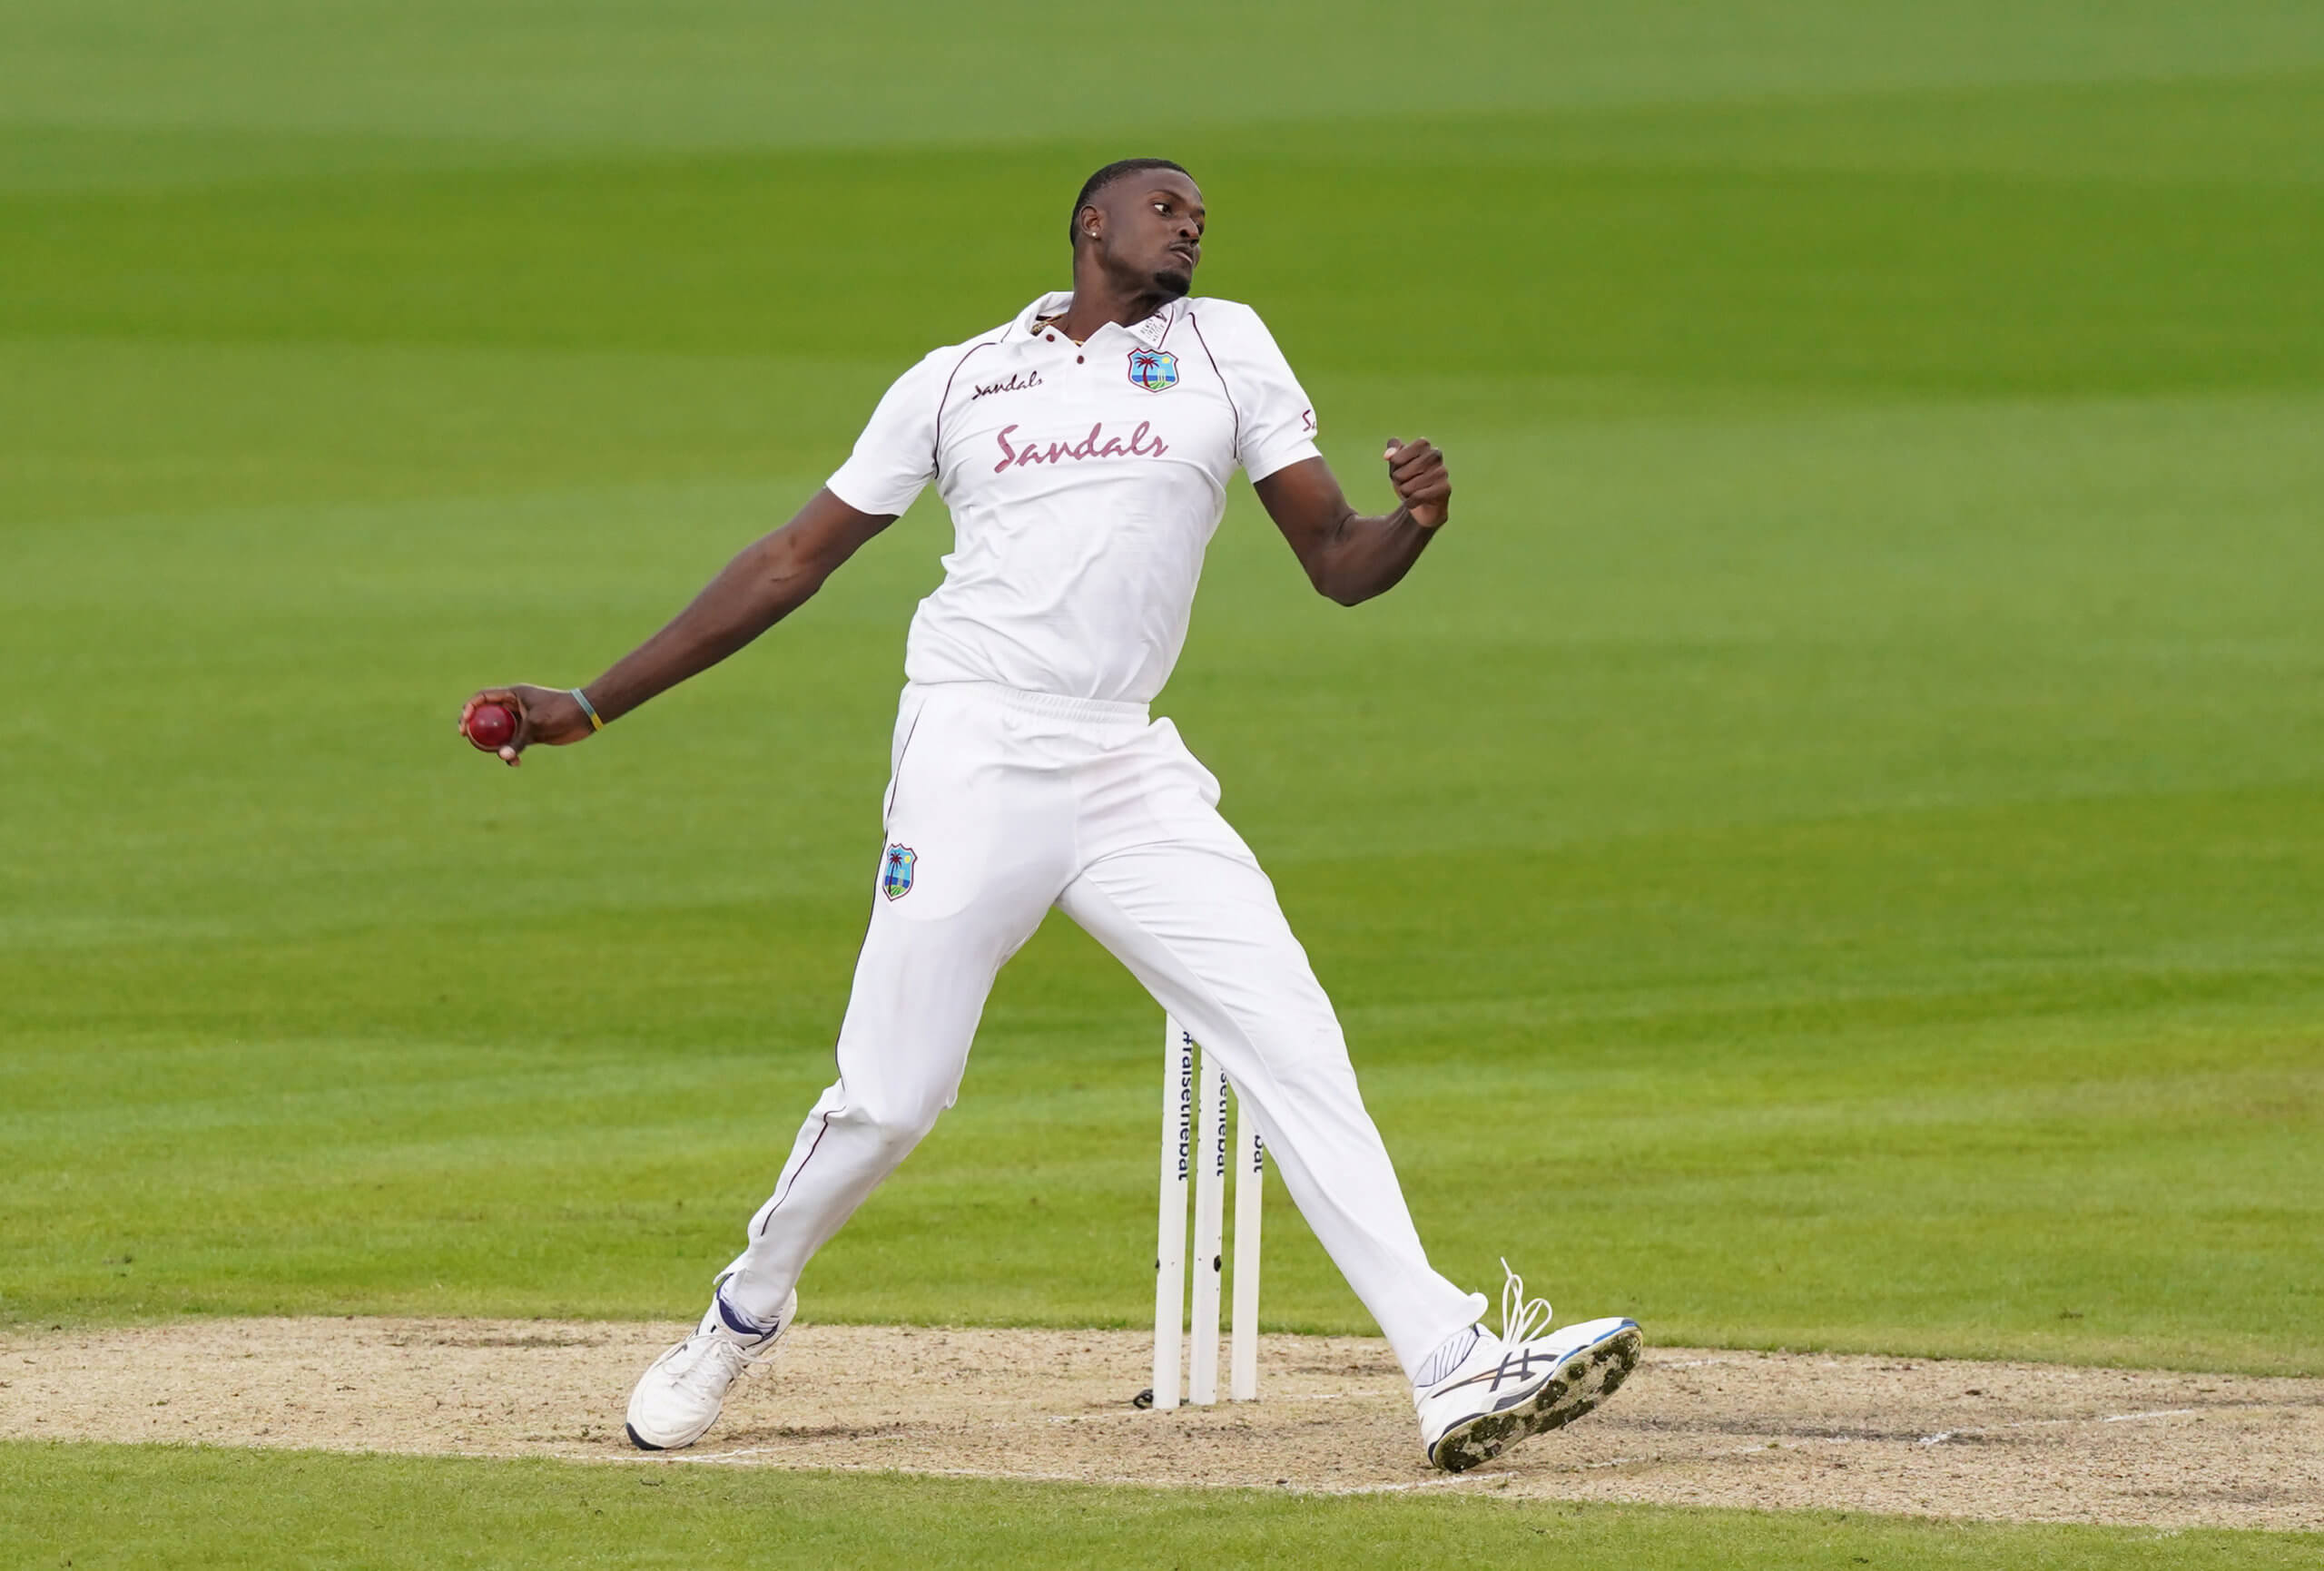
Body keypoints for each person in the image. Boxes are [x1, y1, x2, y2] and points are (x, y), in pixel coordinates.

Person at [457, 157, 1640, 1472]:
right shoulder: (961, 378)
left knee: (1288, 1032)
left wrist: (1415, 521)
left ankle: (1451, 1361)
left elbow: (1336, 565)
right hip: (975, 749)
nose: (1190, 224)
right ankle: (738, 1320)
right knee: (894, 1101)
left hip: (1128, 766)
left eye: (1202, 214)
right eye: (1165, 206)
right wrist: (593, 701)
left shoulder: (1229, 347)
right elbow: (794, 558)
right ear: (1093, 225)